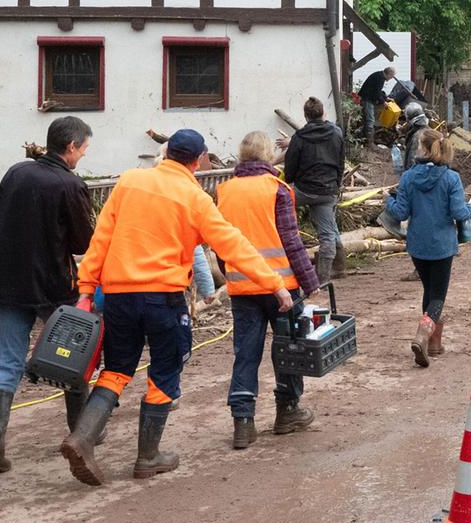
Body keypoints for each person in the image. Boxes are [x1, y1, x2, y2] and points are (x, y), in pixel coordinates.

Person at [60, 130, 292, 487]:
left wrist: (86, 289)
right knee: (165, 369)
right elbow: (234, 245)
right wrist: (274, 284)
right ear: (198, 160)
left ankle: (83, 438)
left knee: (117, 370)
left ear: (166, 152)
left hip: (120, 296)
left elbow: (101, 238)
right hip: (163, 299)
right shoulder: (194, 198)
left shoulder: (130, 181)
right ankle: (148, 456)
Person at [0, 117, 95, 475]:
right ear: (71, 147)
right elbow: (82, 243)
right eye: (83, 150)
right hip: (51, 286)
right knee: (71, 357)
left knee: (8, 364)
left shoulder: (16, 172)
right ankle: (81, 434)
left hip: (8, 282)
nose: (83, 156)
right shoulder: (70, 184)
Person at [216, 132, 321, 450]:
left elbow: (221, 241)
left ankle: (243, 422)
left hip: (242, 285)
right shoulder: (277, 189)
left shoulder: (225, 190)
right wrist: (310, 280)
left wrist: (228, 272)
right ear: (266, 156)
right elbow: (290, 239)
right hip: (282, 287)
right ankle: (287, 411)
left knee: (245, 354)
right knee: (289, 350)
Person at [386, 128, 471, 369]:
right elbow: (459, 213)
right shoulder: (451, 178)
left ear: (425, 149)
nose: (415, 150)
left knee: (428, 290)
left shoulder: (408, 177)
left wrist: (389, 200)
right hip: (443, 246)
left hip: (417, 245)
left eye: (417, 146)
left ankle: (433, 345)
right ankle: (422, 337)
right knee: (438, 296)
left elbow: (401, 212)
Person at [282, 96, 346, 283]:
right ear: (323, 112)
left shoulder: (299, 137)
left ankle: (281, 256)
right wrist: (336, 184)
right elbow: (341, 161)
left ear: (305, 115)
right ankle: (328, 273)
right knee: (328, 232)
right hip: (327, 190)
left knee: (276, 208)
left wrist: (289, 182)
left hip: (303, 189)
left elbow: (290, 165)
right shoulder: (336, 133)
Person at [397, 101, 429, 173]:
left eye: (407, 119)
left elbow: (412, 162)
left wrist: (408, 177)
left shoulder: (417, 137)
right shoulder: (428, 131)